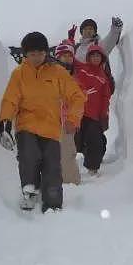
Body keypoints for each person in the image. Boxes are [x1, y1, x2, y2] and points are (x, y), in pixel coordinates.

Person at [0, 32, 86, 212]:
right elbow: (10, 100)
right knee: (29, 155)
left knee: (52, 165)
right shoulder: (19, 75)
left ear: (46, 53)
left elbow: (77, 96)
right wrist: (5, 123)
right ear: (25, 54)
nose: (36, 57)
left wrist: (72, 118)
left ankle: (52, 202)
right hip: (26, 125)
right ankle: (30, 191)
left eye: (39, 53)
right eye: (32, 54)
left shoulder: (58, 73)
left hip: (51, 128)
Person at [73, 43, 112, 176]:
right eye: (93, 55)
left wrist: (104, 115)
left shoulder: (103, 77)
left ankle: (92, 168)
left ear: (102, 59)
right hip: (78, 113)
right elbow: (69, 58)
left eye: (98, 56)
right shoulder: (81, 68)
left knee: (95, 140)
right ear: (88, 57)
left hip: (94, 115)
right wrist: (71, 39)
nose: (96, 58)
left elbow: (106, 97)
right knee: (77, 140)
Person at [52, 42, 82, 185]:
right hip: (51, 121)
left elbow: (79, 99)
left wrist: (74, 119)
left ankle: (71, 183)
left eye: (70, 55)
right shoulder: (51, 74)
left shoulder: (75, 74)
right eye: (65, 55)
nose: (68, 58)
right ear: (58, 56)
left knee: (68, 152)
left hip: (67, 122)